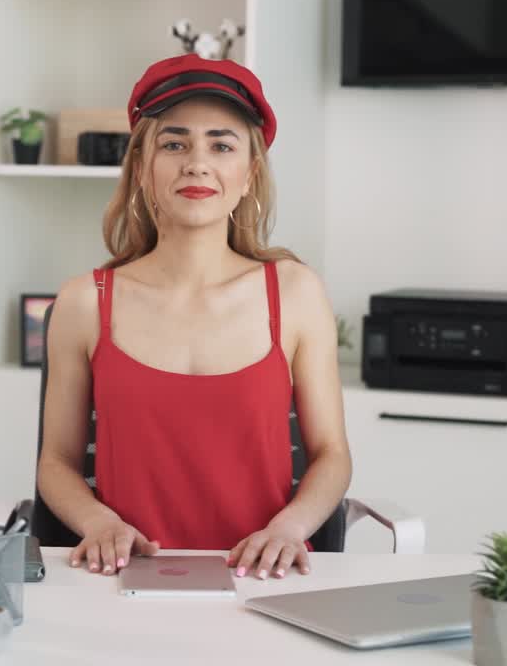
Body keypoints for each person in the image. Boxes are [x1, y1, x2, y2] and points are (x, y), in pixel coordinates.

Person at [37, 54, 350, 581]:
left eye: (221, 145)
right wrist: (97, 520)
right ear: (142, 169)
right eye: (174, 143)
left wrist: (291, 527)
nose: (196, 163)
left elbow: (332, 453)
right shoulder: (83, 302)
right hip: (121, 582)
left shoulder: (296, 293)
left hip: (265, 582)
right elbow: (56, 462)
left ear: (249, 174)